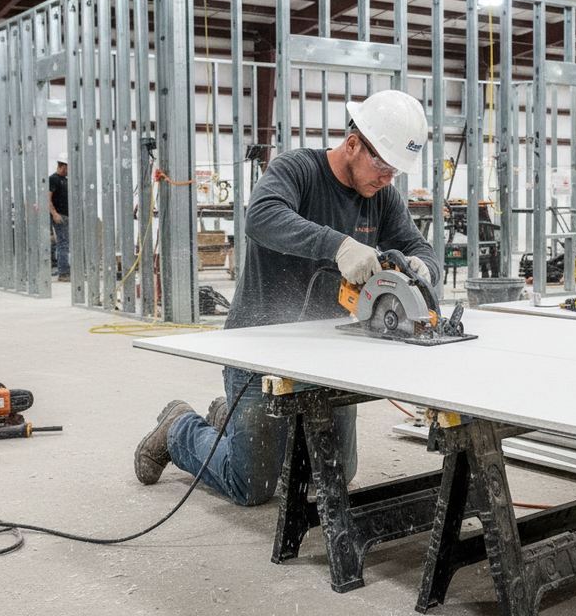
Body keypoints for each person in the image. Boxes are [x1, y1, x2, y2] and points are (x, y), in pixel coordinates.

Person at [133, 90, 440, 505]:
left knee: (334, 474)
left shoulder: (381, 196)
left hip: (328, 357)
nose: (387, 178)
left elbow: (421, 250)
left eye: (395, 171)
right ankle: (180, 428)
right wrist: (339, 245)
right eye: (382, 165)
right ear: (353, 144)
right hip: (258, 349)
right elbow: (261, 217)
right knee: (252, 486)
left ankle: (233, 422)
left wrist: (423, 269)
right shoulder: (297, 169)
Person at [49, 153, 70, 281]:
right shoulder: (54, 179)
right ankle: (63, 272)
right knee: (63, 244)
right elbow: (48, 198)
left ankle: (64, 268)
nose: (68, 171)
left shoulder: (65, 181)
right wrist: (54, 214)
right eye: (67, 167)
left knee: (64, 243)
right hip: (59, 216)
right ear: (62, 166)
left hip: (65, 216)